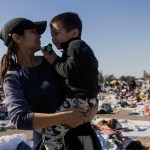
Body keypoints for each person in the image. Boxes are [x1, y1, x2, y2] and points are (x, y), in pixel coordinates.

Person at [0, 17, 101, 150]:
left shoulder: (51, 61)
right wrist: (64, 117)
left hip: (82, 137)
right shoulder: (13, 77)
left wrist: (95, 106)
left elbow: (83, 84)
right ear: (18, 38)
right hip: (48, 142)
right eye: (33, 31)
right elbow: (19, 118)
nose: (39, 35)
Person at [42, 12, 101, 150]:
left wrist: (54, 60)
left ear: (74, 32)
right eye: (52, 35)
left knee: (50, 132)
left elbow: (69, 71)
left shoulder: (76, 45)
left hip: (79, 101)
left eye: (56, 34)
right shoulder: (72, 49)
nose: (53, 39)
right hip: (82, 101)